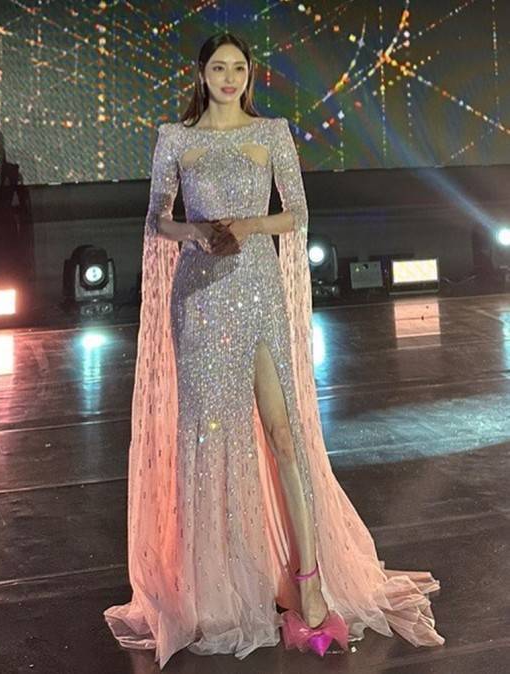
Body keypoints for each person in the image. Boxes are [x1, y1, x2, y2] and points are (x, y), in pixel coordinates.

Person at [103, 31, 445, 669]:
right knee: (211, 440)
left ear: (249, 74)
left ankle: (309, 583)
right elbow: (156, 219)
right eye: (218, 67)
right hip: (199, 297)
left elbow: (296, 213)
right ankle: (220, 587)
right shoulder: (175, 138)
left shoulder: (273, 133)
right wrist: (195, 231)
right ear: (201, 74)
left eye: (239, 67)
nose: (229, 77)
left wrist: (247, 225)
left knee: (283, 434)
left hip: (258, 290)